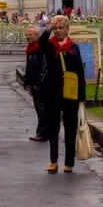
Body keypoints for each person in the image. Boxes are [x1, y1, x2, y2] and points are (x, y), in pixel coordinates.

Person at [38, 15, 86, 174]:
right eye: (56, 28)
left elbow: (80, 72)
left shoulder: (74, 47)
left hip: (70, 93)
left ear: (67, 29)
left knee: (71, 128)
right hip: (52, 92)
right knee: (53, 126)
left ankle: (69, 162)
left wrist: (82, 96)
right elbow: (41, 42)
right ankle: (53, 161)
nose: (58, 31)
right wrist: (49, 27)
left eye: (61, 28)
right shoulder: (49, 45)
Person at [23, 26, 48, 142]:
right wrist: (26, 80)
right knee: (40, 108)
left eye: (30, 35)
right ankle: (42, 132)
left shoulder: (40, 49)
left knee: (41, 109)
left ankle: (42, 133)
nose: (27, 37)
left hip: (40, 85)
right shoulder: (31, 48)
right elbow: (30, 67)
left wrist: (39, 83)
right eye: (26, 35)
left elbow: (43, 67)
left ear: (37, 36)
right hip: (34, 83)